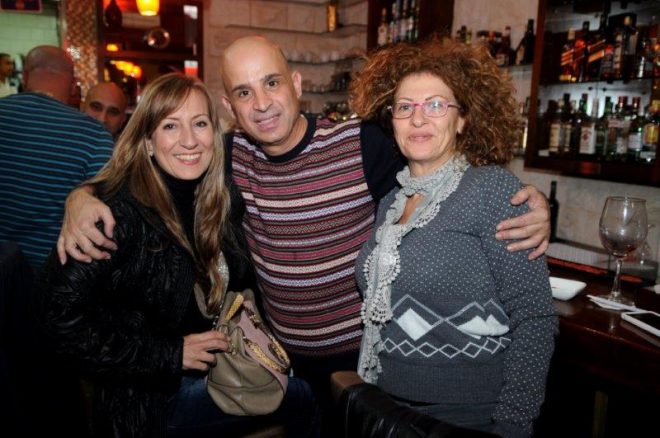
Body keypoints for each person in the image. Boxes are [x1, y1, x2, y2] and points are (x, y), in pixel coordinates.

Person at [57, 36, 551, 435]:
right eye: (244, 93)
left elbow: (439, 168)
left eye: (271, 82)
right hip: (282, 361)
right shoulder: (226, 156)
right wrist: (83, 195)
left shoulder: (362, 143)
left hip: (365, 364)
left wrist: (527, 200)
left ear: (295, 84)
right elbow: (157, 171)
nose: (262, 103)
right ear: (229, 108)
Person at [38, 73, 319, 438]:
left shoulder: (216, 199)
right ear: (148, 141)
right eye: (170, 126)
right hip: (150, 403)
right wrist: (168, 355)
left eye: (200, 124)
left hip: (216, 369)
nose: (189, 140)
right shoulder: (115, 216)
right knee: (303, 397)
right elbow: (56, 321)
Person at [351, 40, 558, 438]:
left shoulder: (491, 190)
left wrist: (514, 424)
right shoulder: (391, 202)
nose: (418, 119)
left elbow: (535, 316)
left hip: (467, 416)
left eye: (435, 105)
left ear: (462, 119)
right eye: (405, 107)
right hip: (386, 405)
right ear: (392, 122)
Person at [0, 46, 114, 271]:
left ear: (25, 76)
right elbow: (107, 212)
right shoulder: (94, 135)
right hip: (51, 274)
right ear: (73, 85)